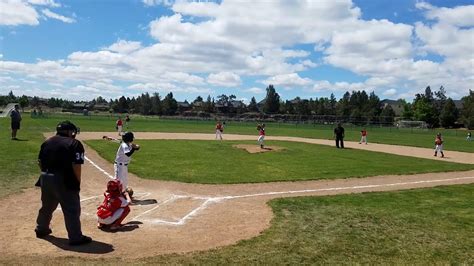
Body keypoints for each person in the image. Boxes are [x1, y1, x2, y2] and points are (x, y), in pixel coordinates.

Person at [35, 121, 92, 245]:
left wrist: (47, 175)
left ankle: (41, 229)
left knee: (47, 206)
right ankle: (76, 237)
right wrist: (77, 182)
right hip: (64, 179)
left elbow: (39, 161)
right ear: (68, 131)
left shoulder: (47, 141)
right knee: (71, 209)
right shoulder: (75, 143)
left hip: (45, 176)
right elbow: (76, 166)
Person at [114, 132, 140, 202]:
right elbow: (128, 154)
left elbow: (136, 147)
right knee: (118, 181)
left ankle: (123, 195)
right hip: (119, 165)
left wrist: (137, 147)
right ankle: (115, 197)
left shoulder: (128, 144)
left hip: (124, 166)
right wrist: (134, 149)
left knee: (124, 182)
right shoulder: (124, 145)